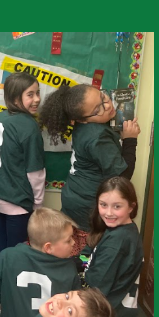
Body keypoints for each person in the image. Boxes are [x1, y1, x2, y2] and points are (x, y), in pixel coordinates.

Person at [38, 83, 140, 252]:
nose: (107, 106)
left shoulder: (90, 125)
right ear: (82, 119)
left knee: (75, 243)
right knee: (87, 249)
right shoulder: (96, 136)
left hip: (76, 194)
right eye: (97, 109)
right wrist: (130, 139)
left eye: (103, 97)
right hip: (87, 202)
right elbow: (122, 176)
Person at [84, 177, 144, 317]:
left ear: (131, 206)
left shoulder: (117, 241)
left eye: (117, 206)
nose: (108, 212)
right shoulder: (126, 229)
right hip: (124, 311)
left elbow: (96, 286)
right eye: (103, 205)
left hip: (112, 315)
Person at [0, 71, 44, 269]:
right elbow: (35, 172)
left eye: (37, 93)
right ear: (15, 98)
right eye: (30, 94)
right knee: (17, 253)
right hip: (16, 200)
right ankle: (7, 297)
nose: (36, 99)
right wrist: (37, 205)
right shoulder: (28, 125)